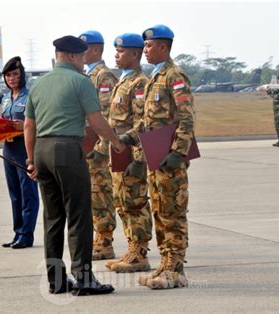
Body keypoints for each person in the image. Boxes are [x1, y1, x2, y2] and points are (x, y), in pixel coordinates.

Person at [24, 35, 124, 296]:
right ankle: (84, 278)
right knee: (79, 216)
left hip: (42, 151)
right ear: (70, 56)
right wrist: (115, 141)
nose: (83, 62)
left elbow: (28, 126)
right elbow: (97, 120)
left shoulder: (38, 84)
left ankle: (56, 280)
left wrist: (31, 160)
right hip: (67, 150)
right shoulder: (81, 82)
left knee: (53, 218)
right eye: (81, 57)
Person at [136, 25, 194, 289]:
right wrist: (127, 138)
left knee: (173, 211)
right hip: (155, 156)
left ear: (163, 47)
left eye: (149, 46)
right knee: (159, 210)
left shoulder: (174, 76)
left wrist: (179, 152)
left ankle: (176, 269)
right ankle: (165, 263)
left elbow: (186, 117)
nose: (145, 51)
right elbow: (149, 120)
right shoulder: (154, 77)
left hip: (170, 158)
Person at [104, 33, 152, 273]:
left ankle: (141, 253)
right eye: (116, 50)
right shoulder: (123, 81)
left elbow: (143, 122)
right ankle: (132, 248)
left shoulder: (140, 83)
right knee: (122, 202)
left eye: (121, 51)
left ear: (135, 54)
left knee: (135, 202)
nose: (116, 54)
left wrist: (139, 158)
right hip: (118, 151)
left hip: (131, 151)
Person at [79, 30, 119, 260]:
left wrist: (100, 149)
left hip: (98, 148)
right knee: (92, 194)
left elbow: (107, 116)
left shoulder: (104, 77)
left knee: (101, 193)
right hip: (86, 145)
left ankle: (105, 241)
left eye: (83, 49)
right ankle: (98, 237)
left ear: (95, 50)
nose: (79, 54)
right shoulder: (85, 75)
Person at [0, 56, 39, 249]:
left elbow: (38, 124)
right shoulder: (6, 98)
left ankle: (26, 235)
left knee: (28, 194)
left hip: (25, 150)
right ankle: (17, 232)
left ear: (22, 75)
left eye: (15, 74)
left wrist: (21, 125)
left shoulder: (30, 96)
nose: (12, 78)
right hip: (8, 150)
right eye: (8, 75)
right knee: (15, 194)